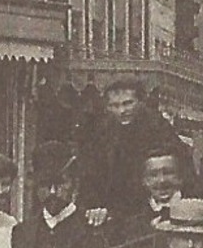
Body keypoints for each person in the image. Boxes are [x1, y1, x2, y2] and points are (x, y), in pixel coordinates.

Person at [75, 78, 187, 224]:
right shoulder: (102, 134)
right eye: (114, 105)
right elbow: (92, 176)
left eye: (128, 103)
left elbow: (179, 169)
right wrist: (94, 206)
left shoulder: (159, 128)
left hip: (151, 205)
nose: (121, 111)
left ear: (140, 102)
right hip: (113, 209)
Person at [11, 141, 112, 248]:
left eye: (59, 183)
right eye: (44, 184)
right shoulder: (21, 232)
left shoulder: (93, 226)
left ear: (74, 184)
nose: (52, 192)